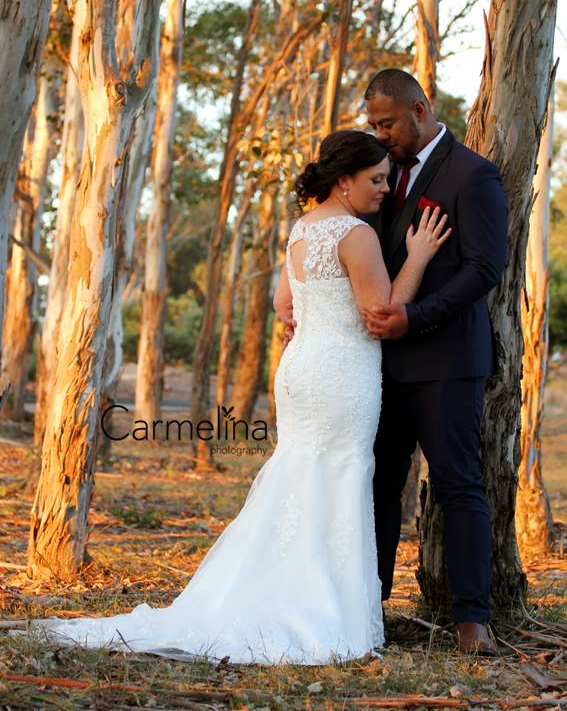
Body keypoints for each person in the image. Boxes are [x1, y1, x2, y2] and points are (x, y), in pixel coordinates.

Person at [19, 130, 450, 666]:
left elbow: (283, 303)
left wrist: (311, 323)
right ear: (344, 181)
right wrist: (419, 257)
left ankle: (280, 594)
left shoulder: (302, 229)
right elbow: (381, 315)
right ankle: (321, 608)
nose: (385, 188)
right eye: (377, 179)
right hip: (342, 375)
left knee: (300, 474)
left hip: (302, 371)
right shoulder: (356, 234)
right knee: (337, 475)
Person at [362, 69, 508, 655]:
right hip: (380, 363)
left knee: (458, 484)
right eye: (373, 125)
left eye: (387, 123)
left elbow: (483, 270)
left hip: (447, 361)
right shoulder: (380, 174)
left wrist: (414, 317)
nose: (380, 134)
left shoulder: (473, 174)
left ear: (419, 110)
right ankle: (368, 606)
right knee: (379, 484)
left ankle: (472, 621)